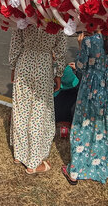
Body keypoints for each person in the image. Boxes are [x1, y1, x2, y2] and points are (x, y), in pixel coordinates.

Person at [61, 31, 108, 185]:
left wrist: (80, 45)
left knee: (84, 124)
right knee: (106, 125)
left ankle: (75, 171)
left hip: (91, 85)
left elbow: (81, 66)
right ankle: (102, 168)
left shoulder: (89, 41)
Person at [9, 25, 67, 174]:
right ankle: (33, 162)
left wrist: (13, 67)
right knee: (38, 111)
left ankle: (19, 153)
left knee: (21, 109)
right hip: (43, 65)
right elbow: (61, 48)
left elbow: (16, 42)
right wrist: (59, 73)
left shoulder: (23, 9)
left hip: (25, 62)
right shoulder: (55, 16)